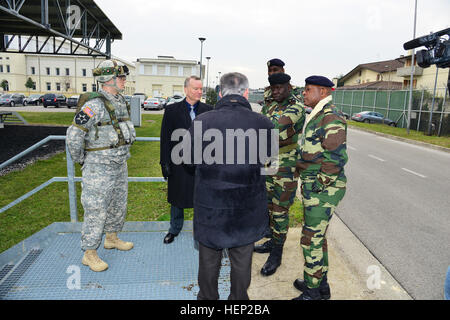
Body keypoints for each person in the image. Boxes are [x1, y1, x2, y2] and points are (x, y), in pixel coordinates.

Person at [186, 72, 275, 300]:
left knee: (208, 260)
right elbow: (271, 164)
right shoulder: (264, 123)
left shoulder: (202, 121)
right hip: (247, 208)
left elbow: (187, 160)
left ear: (219, 93)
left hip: (210, 207)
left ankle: (207, 300)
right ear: (246, 92)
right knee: (242, 260)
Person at [66, 59, 136, 272]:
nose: (124, 80)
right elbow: (74, 135)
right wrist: (82, 160)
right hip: (98, 168)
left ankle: (112, 238)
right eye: (121, 77)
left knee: (117, 204)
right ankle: (89, 253)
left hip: (118, 164)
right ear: (108, 80)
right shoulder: (93, 105)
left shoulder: (120, 101)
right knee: (96, 209)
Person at [293, 76, 348, 300]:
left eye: (308, 90)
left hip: (323, 190)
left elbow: (335, 159)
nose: (304, 93)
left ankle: (312, 293)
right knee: (317, 238)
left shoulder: (330, 116)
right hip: (316, 186)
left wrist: (317, 186)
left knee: (310, 239)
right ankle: (319, 283)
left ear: (323, 92)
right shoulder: (318, 113)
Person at [255, 72, 306, 277]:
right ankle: (272, 240)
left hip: (286, 166)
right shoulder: (270, 105)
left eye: (279, 88)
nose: (275, 92)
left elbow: (274, 131)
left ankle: (277, 254)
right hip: (269, 161)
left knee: (280, 210)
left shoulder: (296, 107)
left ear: (289, 87)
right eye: (273, 88)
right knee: (267, 205)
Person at [159, 76, 213, 244]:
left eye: (200, 89)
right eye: (195, 88)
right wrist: (165, 163)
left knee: (202, 198)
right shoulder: (172, 110)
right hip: (178, 163)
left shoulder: (209, 110)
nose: (199, 92)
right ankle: (174, 229)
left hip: (203, 163)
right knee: (177, 197)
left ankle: (202, 231)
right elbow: (165, 138)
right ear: (185, 89)